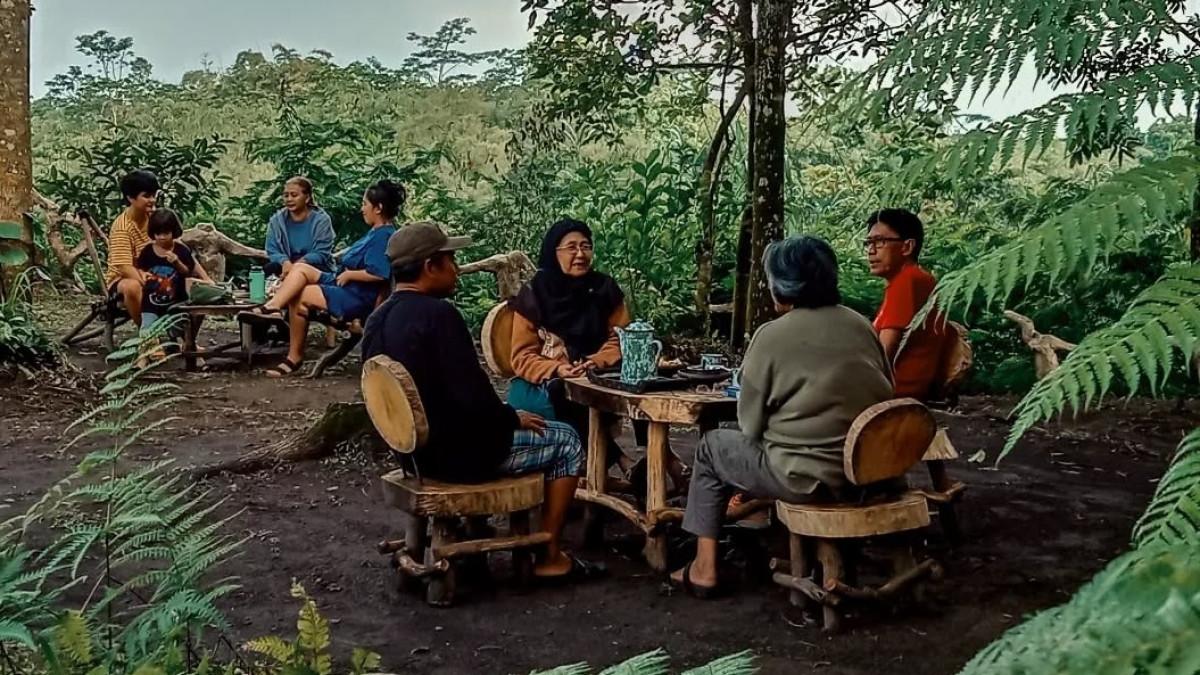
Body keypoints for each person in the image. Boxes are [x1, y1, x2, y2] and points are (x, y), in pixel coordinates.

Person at [362, 221, 603, 581]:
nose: (457, 270)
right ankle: (550, 555)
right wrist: (511, 417)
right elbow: (474, 400)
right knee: (566, 440)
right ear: (431, 266)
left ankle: (477, 534)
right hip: (460, 457)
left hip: (412, 454)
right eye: (451, 261)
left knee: (527, 426)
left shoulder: (377, 319)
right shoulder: (440, 316)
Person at [669, 236, 894, 597]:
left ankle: (704, 568)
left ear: (781, 286)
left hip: (805, 478)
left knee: (712, 447)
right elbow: (887, 394)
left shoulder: (771, 336)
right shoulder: (862, 326)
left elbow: (750, 426)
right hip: (869, 472)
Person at [507, 219, 687, 491]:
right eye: (571, 248)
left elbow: (620, 337)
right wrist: (558, 368)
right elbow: (521, 356)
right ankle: (627, 463)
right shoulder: (534, 294)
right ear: (553, 253)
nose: (580, 254)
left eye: (586, 246)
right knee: (567, 392)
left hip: (600, 369)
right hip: (557, 375)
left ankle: (663, 456)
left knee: (640, 380)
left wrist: (595, 362)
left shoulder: (604, 288)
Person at [255, 180, 401, 377]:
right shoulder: (375, 232)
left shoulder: (383, 235)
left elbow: (379, 273)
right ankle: (273, 308)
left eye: (365, 204)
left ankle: (294, 356)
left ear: (378, 208)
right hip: (341, 281)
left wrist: (350, 274)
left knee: (301, 294)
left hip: (356, 294)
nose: (362, 209)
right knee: (300, 268)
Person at [865, 208, 948, 399]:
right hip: (908, 388)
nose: (871, 250)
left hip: (896, 391)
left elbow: (884, 354)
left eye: (880, 241)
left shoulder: (907, 280)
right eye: (869, 242)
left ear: (907, 247)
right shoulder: (915, 278)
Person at [135, 208, 212, 336]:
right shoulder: (147, 251)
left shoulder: (181, 250)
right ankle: (147, 352)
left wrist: (177, 262)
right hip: (150, 304)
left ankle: (179, 345)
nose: (162, 237)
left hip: (177, 303)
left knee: (177, 331)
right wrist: (142, 275)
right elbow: (139, 268)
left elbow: (187, 271)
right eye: (158, 234)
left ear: (173, 231)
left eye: (166, 233)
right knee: (146, 332)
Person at [105, 170, 160, 327]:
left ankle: (188, 343)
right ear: (130, 198)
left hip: (156, 272)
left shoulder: (155, 218)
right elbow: (124, 267)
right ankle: (149, 336)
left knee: (193, 285)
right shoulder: (123, 227)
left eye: (154, 195)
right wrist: (149, 283)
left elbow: (177, 247)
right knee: (132, 287)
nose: (152, 200)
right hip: (124, 279)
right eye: (146, 196)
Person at [264, 176, 336, 277]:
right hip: (286, 266)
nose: (289, 199)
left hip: (313, 266)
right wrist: (284, 262)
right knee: (269, 268)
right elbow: (272, 250)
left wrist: (297, 267)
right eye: (286, 195)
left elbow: (321, 253)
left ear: (307, 198)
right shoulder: (276, 221)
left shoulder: (321, 220)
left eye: (294, 195)